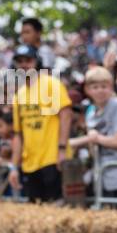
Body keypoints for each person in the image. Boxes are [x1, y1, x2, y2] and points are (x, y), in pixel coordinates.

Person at [8, 43, 72, 202]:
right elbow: (18, 134)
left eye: (28, 60)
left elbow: (66, 115)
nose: (24, 65)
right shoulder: (19, 95)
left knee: (56, 209)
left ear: (37, 61)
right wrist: (14, 167)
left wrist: (62, 149)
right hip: (29, 163)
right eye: (20, 61)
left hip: (52, 159)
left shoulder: (52, 84)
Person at [69, 65, 117, 201]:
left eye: (104, 86)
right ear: (87, 90)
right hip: (102, 177)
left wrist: (93, 138)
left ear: (111, 87)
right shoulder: (91, 112)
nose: (100, 91)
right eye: (95, 87)